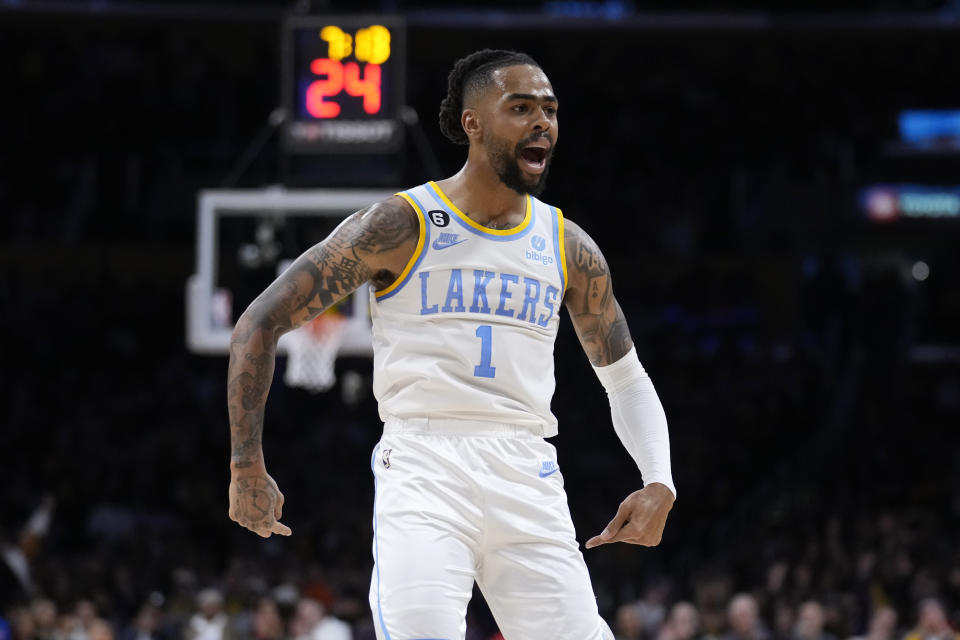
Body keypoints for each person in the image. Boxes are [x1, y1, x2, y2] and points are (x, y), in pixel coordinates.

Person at [226, 48, 677, 639]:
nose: (542, 122)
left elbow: (625, 377)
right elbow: (259, 322)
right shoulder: (400, 224)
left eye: (550, 109)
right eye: (520, 108)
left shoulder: (569, 247)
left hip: (527, 467)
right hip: (424, 464)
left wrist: (659, 479)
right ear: (473, 123)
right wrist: (245, 464)